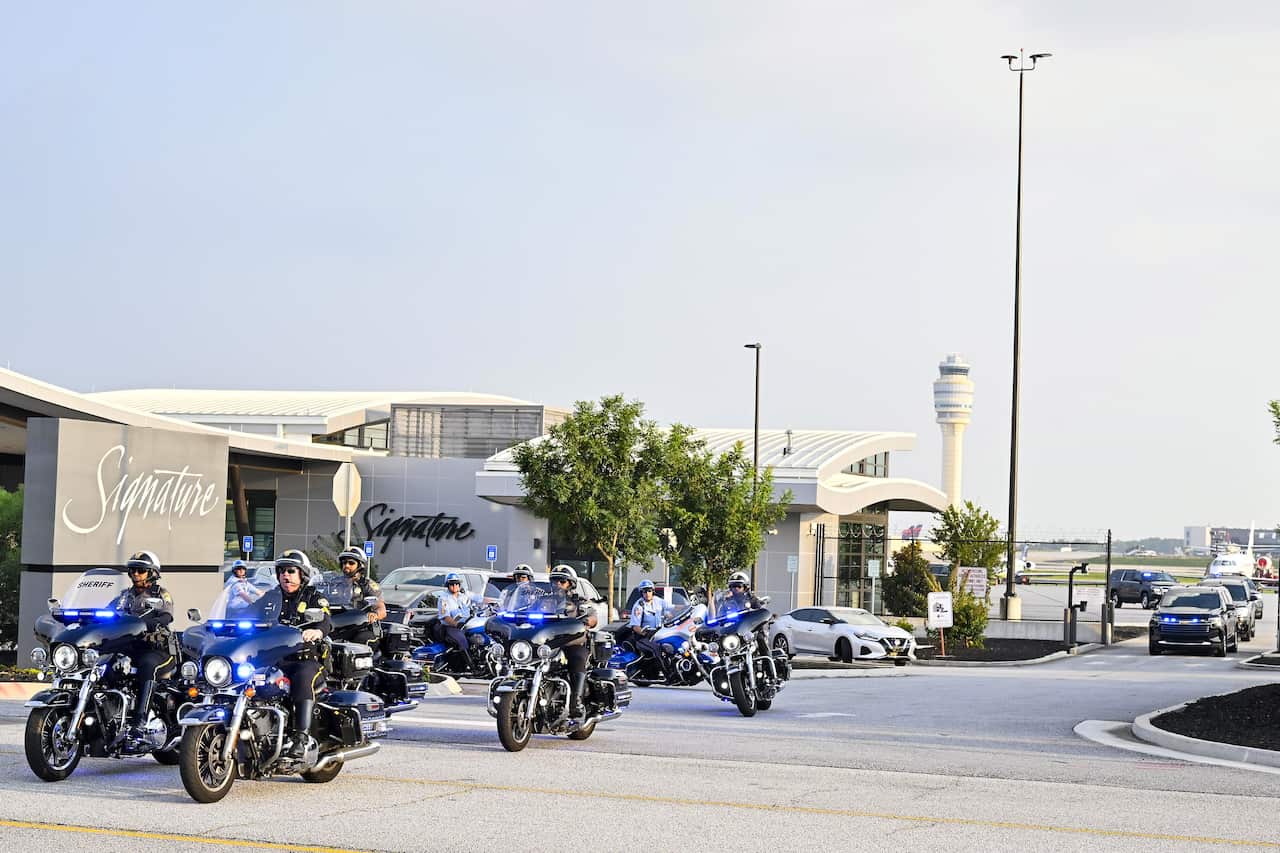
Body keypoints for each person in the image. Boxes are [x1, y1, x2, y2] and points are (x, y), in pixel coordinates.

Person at [270, 549, 332, 759]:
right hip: (274, 659)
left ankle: (301, 737)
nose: (285, 576)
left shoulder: (313, 596)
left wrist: (317, 631)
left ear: (302, 574)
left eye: (291, 571)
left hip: (304, 660)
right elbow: (249, 613)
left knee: (303, 678)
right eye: (282, 571)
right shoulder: (271, 597)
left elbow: (325, 620)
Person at [111, 550, 175, 752]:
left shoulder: (159, 594)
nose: (136, 574)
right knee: (105, 664)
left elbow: (167, 616)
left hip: (158, 650)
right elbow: (108, 611)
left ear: (152, 573)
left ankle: (140, 721)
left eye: (141, 570)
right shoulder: (124, 596)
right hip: (131, 647)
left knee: (148, 667)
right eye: (132, 571)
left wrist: (150, 623)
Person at [549, 565, 597, 720]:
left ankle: (576, 702)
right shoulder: (544, 601)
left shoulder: (579, 601)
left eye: (562, 581)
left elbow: (593, 617)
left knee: (577, 658)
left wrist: (587, 620)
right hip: (548, 643)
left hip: (572, 642)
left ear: (571, 584)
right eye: (554, 581)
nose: (557, 584)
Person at [336, 547, 385, 646]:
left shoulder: (368, 585)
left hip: (360, 627)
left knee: (362, 640)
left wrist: (375, 614)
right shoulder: (335, 583)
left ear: (360, 565)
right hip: (337, 624)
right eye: (344, 563)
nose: (346, 565)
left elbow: (381, 609)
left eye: (351, 563)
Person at [628, 579, 675, 666]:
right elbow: (635, 627)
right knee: (656, 649)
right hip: (643, 637)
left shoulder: (658, 601)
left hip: (658, 633)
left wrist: (688, 607)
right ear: (641, 593)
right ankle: (664, 671)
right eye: (644, 591)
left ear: (653, 591)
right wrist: (645, 633)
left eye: (649, 591)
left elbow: (673, 608)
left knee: (671, 644)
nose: (647, 593)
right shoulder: (638, 606)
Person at [437, 572, 473, 666]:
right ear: (447, 585)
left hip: (466, 625)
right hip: (451, 627)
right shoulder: (444, 599)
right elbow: (445, 616)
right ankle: (472, 666)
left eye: (456, 584)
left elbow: (475, 603)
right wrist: (456, 624)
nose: (454, 586)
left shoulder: (463, 597)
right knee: (462, 640)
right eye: (452, 584)